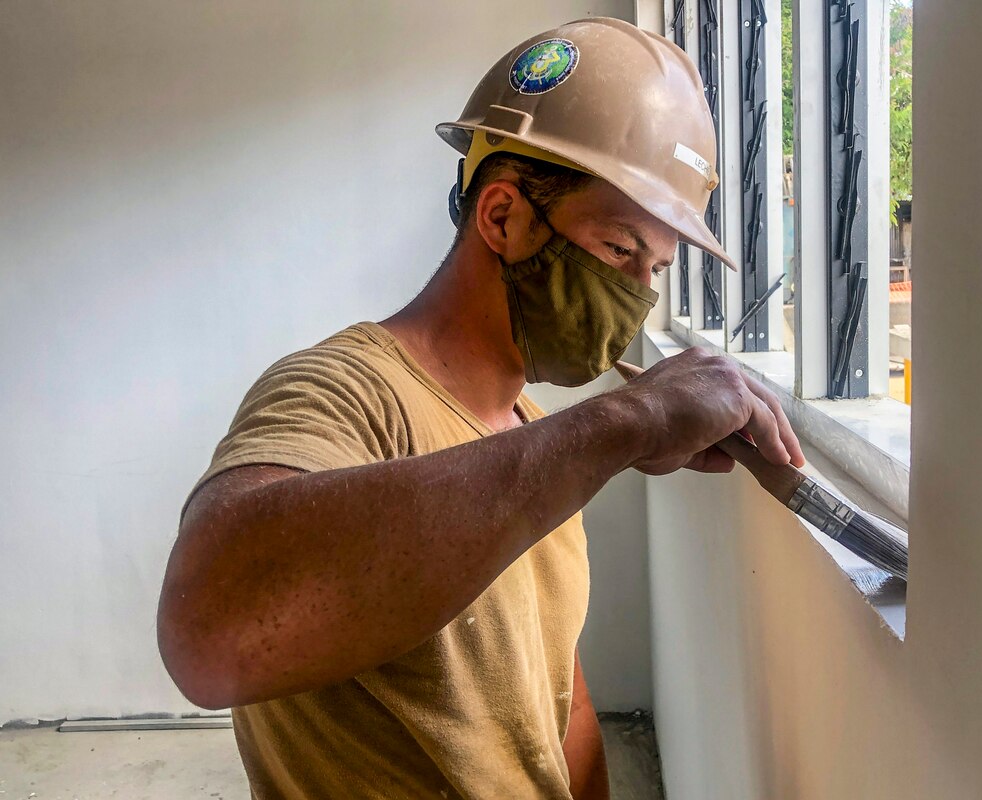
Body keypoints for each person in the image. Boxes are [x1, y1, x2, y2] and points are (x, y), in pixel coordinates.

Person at [157, 17, 804, 800]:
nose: (637, 294)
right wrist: (630, 421)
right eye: (619, 249)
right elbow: (208, 631)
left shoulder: (531, 440)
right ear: (503, 218)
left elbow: (549, 705)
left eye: (655, 267)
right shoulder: (343, 389)